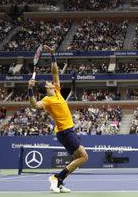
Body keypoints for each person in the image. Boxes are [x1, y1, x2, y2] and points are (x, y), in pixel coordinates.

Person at [28, 45, 88, 193]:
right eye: (49, 83)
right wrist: (29, 90)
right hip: (65, 132)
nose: (51, 82)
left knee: (76, 158)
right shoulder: (47, 100)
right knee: (84, 157)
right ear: (47, 87)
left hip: (66, 131)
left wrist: (53, 55)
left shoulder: (57, 91)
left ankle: (59, 181)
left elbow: (55, 71)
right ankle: (56, 177)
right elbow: (35, 105)